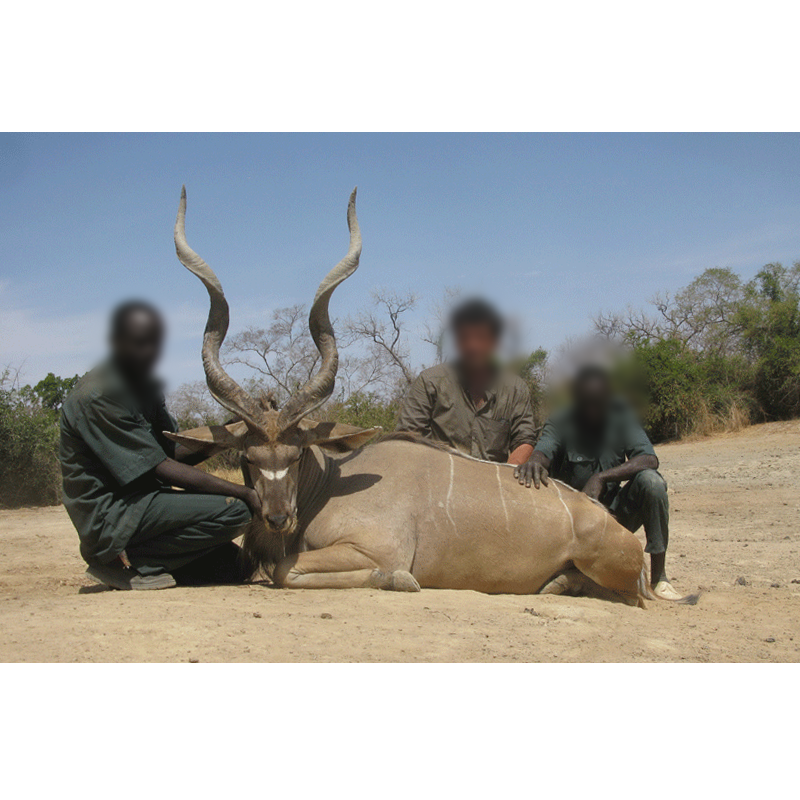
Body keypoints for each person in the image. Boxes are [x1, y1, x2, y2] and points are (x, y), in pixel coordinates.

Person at [59, 300, 260, 590]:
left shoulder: (144, 386)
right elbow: (161, 467)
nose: (149, 352)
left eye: (154, 344)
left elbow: (170, 452)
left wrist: (232, 431)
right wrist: (244, 493)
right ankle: (121, 563)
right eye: (140, 343)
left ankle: (155, 564)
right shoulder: (99, 395)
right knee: (237, 510)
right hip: (112, 518)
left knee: (237, 568)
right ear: (116, 342)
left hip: (145, 507)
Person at [514, 365, 681, 600]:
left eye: (599, 403)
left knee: (651, 483)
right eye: (587, 403)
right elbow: (544, 451)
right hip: (572, 523)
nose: (593, 410)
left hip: (613, 516)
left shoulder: (621, 414)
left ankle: (660, 578)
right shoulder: (562, 419)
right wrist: (535, 462)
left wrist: (601, 477)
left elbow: (649, 458)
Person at [396, 298, 537, 465]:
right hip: (440, 476)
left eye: (480, 337)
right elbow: (408, 439)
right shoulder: (429, 382)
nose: (472, 345)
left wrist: (506, 479)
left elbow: (524, 439)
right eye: (464, 337)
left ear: (494, 343)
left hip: (493, 479)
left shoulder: (515, 388)